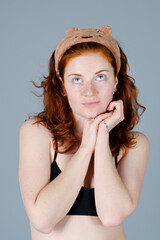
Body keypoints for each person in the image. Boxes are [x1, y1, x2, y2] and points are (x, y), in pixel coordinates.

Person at [19, 25, 150, 240]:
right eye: (77, 79)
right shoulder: (37, 133)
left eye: (100, 77)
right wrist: (87, 145)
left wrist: (102, 136)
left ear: (115, 81)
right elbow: (43, 219)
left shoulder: (134, 144)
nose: (89, 91)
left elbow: (111, 216)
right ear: (62, 86)